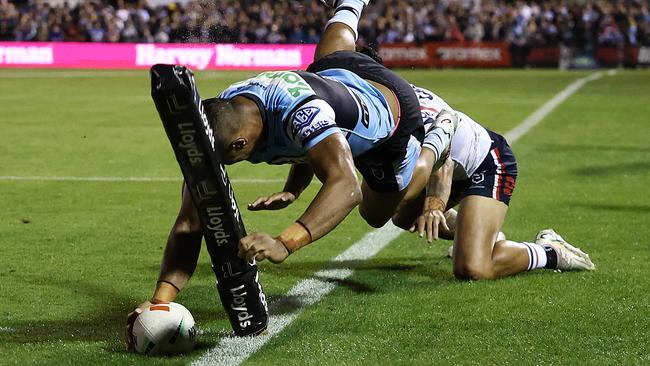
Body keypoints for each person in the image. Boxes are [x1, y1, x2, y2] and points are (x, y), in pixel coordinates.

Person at [125, 0, 457, 349]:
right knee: (331, 53)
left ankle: (440, 142)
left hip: (391, 117)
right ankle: (350, 4)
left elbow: (346, 185)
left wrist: (286, 241)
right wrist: (161, 299)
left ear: (239, 145)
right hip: (337, 76)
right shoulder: (223, 114)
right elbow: (190, 223)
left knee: (381, 211)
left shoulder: (300, 113)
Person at [390, 82, 596, 279]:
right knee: (401, 213)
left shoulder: (396, 110)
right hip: (457, 164)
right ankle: (483, 236)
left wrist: (434, 205)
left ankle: (549, 251)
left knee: (472, 268)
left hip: (487, 162)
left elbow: (444, 158)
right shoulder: (392, 92)